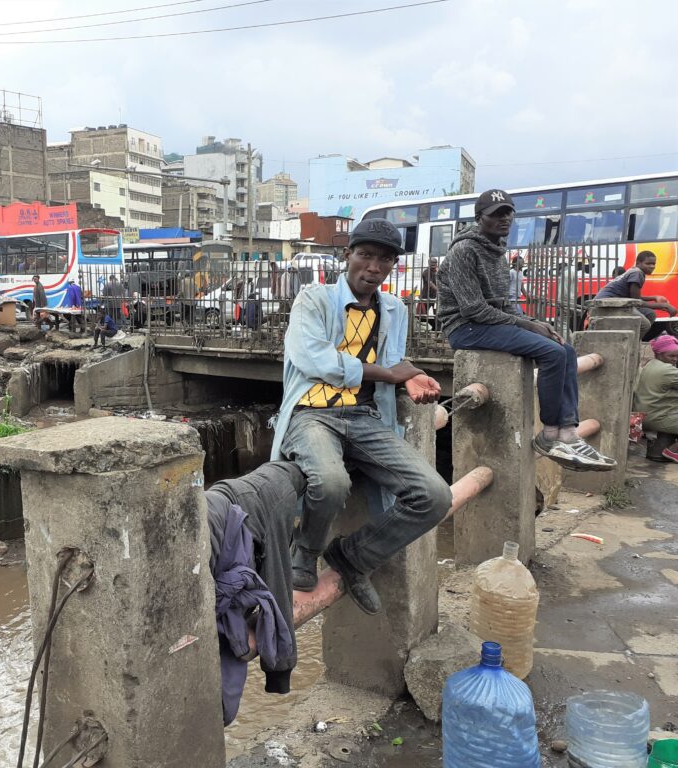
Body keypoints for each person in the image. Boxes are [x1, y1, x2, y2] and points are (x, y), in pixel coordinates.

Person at [272, 218, 450, 608]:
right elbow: (313, 358)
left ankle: (353, 557)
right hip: (312, 414)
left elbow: (392, 361)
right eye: (365, 255)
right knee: (331, 482)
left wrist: (412, 375)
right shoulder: (313, 299)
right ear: (347, 255)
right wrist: (389, 373)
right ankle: (306, 550)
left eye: (384, 260)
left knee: (435, 496)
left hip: (365, 418)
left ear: (392, 266)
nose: (373, 267)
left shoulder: (394, 309)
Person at [437, 189, 616, 472]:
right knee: (551, 354)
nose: (504, 218)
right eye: (496, 214)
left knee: (565, 349)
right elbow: (473, 309)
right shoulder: (464, 251)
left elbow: (504, 304)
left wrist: (534, 322)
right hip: (465, 328)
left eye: (508, 212)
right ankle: (549, 434)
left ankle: (567, 431)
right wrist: (526, 324)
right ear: (479, 218)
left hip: (488, 323)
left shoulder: (497, 251)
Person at [205, 461, 306, 725]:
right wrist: (279, 674)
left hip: (215, 511)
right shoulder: (282, 494)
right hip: (219, 529)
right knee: (221, 702)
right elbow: (278, 581)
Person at [595, 250, 677, 340]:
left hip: (616, 304)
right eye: (648, 263)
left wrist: (654, 298)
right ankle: (628, 345)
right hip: (606, 306)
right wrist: (665, 306)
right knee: (644, 325)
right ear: (638, 263)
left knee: (650, 314)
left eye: (653, 264)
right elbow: (637, 302)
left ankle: (631, 339)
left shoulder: (635, 271)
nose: (652, 266)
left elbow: (634, 299)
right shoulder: (636, 273)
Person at [633, 334, 678, 463]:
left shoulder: (652, 364)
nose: (675, 359)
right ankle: (673, 451)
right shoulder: (666, 370)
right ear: (659, 354)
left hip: (649, 414)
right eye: (671, 356)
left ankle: (659, 452)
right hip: (657, 417)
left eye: (677, 355)